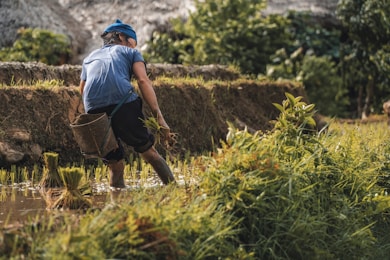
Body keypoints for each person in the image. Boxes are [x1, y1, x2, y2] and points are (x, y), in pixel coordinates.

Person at [79, 19, 175, 188]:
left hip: (93, 110)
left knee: (115, 165)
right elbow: (143, 81)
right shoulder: (131, 53)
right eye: (133, 43)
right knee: (149, 153)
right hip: (122, 102)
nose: (133, 47)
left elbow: (82, 90)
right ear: (122, 37)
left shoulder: (89, 58)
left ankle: (116, 203)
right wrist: (159, 117)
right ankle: (175, 190)